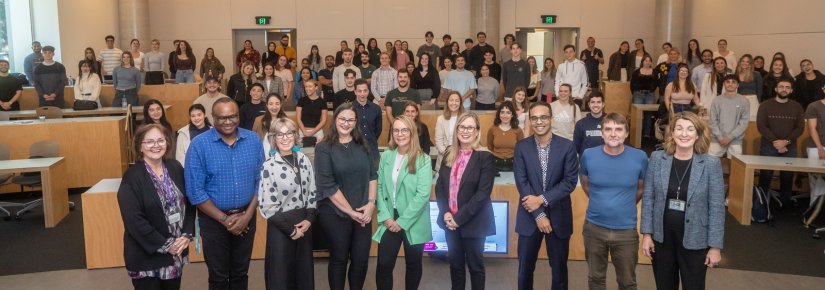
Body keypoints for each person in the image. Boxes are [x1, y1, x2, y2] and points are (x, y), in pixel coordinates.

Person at [185, 98, 264, 290]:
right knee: (219, 276)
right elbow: (195, 192)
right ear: (212, 117)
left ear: (238, 116)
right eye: (221, 118)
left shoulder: (253, 139)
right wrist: (224, 219)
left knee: (240, 273)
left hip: (247, 217)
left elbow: (261, 182)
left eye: (232, 116)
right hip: (213, 221)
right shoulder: (198, 144)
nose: (228, 122)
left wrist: (247, 216)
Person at [641, 112, 725, 290]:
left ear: (698, 134)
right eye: (678, 128)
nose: (684, 134)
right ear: (671, 133)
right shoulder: (657, 159)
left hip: (696, 239)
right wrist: (647, 235)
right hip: (662, 239)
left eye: (690, 129)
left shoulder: (711, 164)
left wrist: (715, 247)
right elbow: (649, 198)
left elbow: (717, 208)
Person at [118, 124, 195, 290]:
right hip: (147, 257)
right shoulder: (131, 177)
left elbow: (189, 204)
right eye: (149, 142)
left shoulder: (175, 167)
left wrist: (187, 235)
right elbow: (134, 222)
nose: (156, 145)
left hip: (175, 254)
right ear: (140, 146)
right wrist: (168, 245)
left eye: (160, 140)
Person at [514, 101, 578, 290]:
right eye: (534, 118)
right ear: (529, 121)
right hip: (529, 217)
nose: (539, 122)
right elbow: (522, 184)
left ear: (551, 119)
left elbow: (569, 182)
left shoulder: (567, 146)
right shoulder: (521, 147)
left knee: (559, 273)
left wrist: (541, 200)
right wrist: (539, 214)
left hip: (559, 217)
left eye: (543, 117)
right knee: (524, 272)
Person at [580, 112, 648, 290]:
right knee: (595, 280)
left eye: (619, 129)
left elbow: (640, 189)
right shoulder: (588, 155)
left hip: (626, 231)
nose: (613, 133)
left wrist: (622, 206)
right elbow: (586, 186)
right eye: (608, 129)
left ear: (626, 133)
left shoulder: (640, 157)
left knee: (627, 282)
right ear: (602, 133)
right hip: (594, 228)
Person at [314, 104, 377, 290]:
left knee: (361, 260)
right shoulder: (324, 148)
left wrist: (371, 204)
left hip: (363, 211)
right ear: (335, 119)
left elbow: (373, 175)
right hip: (334, 213)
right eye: (342, 118)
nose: (346, 123)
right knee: (339, 260)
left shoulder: (363, 144)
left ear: (356, 122)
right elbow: (328, 185)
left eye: (351, 120)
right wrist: (351, 212)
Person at [434, 112, 496, 290]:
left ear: (477, 131)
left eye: (470, 127)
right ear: (457, 130)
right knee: (455, 267)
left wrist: (457, 219)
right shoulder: (448, 153)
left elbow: (482, 194)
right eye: (462, 127)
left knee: (476, 269)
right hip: (450, 222)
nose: (465, 131)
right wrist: (446, 213)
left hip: (473, 222)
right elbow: (440, 187)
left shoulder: (485, 157)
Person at [372, 115, 433, 290]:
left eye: (404, 130)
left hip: (414, 219)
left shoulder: (423, 159)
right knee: (383, 265)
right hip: (389, 217)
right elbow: (381, 187)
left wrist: (402, 222)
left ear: (412, 132)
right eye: (396, 130)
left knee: (413, 265)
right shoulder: (386, 156)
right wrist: (386, 217)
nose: (400, 134)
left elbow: (422, 195)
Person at [259, 118, 316, 290]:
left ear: (295, 135)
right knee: (281, 277)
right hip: (281, 228)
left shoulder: (304, 160)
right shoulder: (269, 166)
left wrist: (309, 219)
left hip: (304, 225)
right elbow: (267, 206)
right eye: (280, 134)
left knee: (303, 275)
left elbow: (312, 191)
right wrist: (291, 230)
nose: (285, 138)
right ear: (273, 138)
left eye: (289, 133)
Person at [757, 78, 805, 207]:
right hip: (768, 146)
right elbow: (761, 126)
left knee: (787, 176)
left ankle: (785, 203)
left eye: (787, 87)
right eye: (781, 87)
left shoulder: (797, 106)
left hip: (790, 147)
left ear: (791, 90)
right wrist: (776, 142)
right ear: (776, 89)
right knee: (765, 174)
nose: (784, 89)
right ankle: (761, 204)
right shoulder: (765, 105)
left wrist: (786, 142)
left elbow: (800, 128)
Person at [708, 75, 750, 160]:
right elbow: (713, 122)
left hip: (735, 140)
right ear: (724, 84)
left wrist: (729, 137)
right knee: (710, 164)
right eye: (728, 82)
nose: (730, 84)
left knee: (736, 167)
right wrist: (720, 138)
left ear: (737, 85)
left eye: (733, 82)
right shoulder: (716, 100)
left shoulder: (744, 101)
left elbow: (743, 123)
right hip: (717, 139)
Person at [487, 101, 524, 171]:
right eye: (502, 112)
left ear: (512, 115)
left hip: (513, 164)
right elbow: (490, 148)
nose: (505, 115)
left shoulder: (518, 130)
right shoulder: (492, 129)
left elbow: (521, 150)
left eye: (508, 113)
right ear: (499, 114)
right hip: (495, 164)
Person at [353, 79, 383, 162]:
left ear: (368, 91)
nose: (362, 94)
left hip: (372, 151)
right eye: (359, 91)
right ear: (355, 92)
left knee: (374, 174)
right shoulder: (349, 109)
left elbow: (378, 129)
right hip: (354, 151)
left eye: (365, 91)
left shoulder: (376, 108)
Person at [435, 92, 466, 169]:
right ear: (447, 102)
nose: (454, 103)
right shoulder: (440, 119)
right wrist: (448, 156)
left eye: (457, 100)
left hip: (462, 157)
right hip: (445, 157)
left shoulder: (466, 119)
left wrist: (459, 155)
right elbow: (438, 141)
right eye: (451, 100)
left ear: (460, 103)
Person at [806, 86, 825, 204]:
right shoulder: (814, 106)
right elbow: (811, 128)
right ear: (823, 89)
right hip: (816, 147)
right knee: (816, 180)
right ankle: (813, 211)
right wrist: (820, 148)